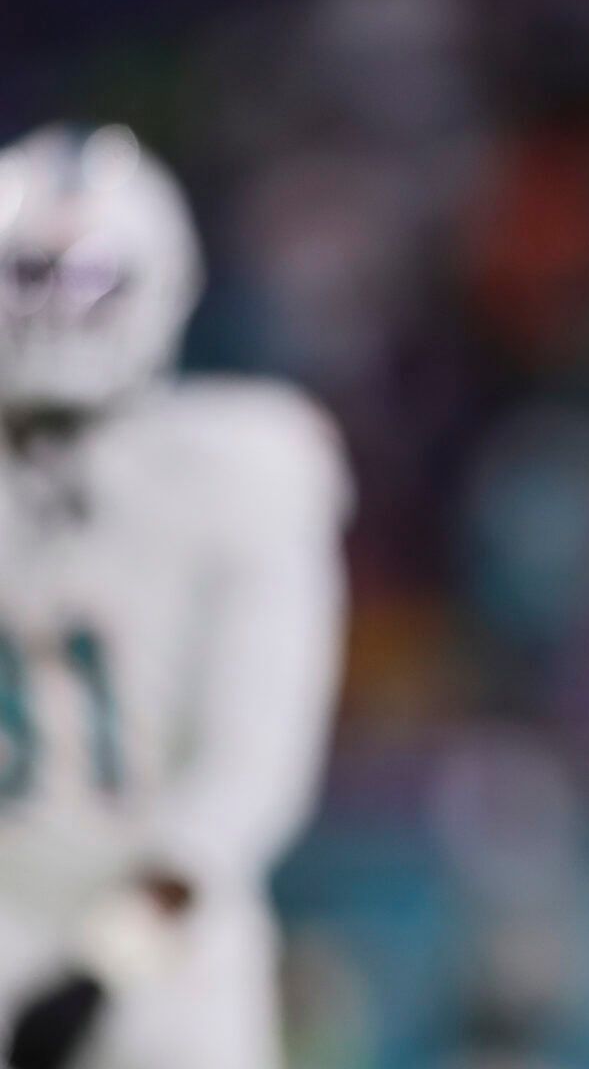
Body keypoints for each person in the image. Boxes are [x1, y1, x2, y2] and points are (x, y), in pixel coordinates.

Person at [0, 123, 351, 1069]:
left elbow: (252, 772)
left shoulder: (241, 464)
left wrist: (106, 965)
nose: (52, 316)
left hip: (168, 953)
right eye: (29, 280)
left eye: (81, 285)